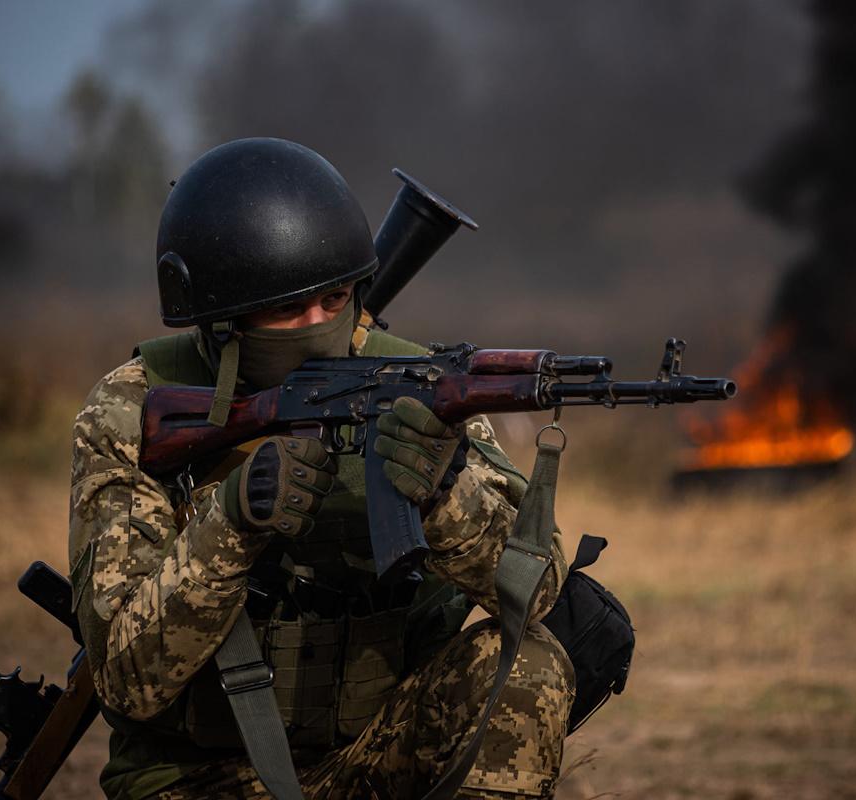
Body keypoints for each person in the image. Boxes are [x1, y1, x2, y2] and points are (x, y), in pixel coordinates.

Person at [68, 137, 574, 800]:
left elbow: (536, 596)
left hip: (372, 755)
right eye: (288, 310)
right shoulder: (135, 407)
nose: (319, 324)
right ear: (222, 323)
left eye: (336, 300)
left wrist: (447, 499)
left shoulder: (411, 379)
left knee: (529, 666)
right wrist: (231, 520)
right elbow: (128, 682)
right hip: (195, 778)